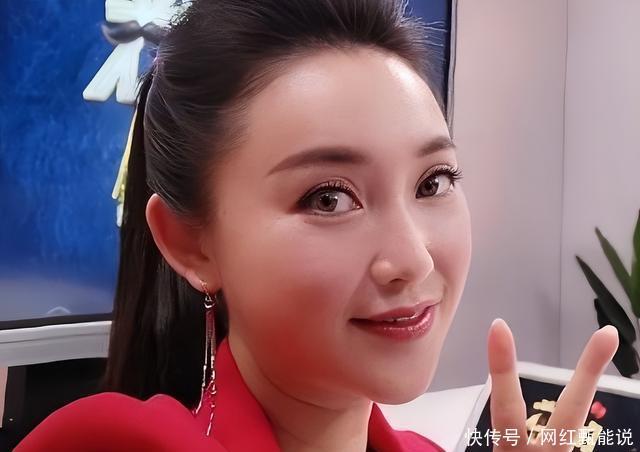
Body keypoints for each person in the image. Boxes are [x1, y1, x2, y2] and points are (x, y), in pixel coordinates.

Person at [16, 0, 619, 451]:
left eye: (433, 182)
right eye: (328, 199)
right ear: (190, 243)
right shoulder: (117, 442)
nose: (413, 259)